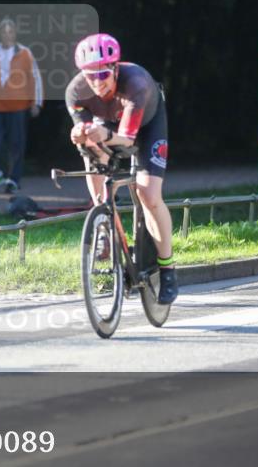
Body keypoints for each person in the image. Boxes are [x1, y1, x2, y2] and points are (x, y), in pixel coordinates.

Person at [65, 33, 178, 305]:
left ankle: (168, 269)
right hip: (107, 128)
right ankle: (106, 226)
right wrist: (80, 134)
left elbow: (127, 140)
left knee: (148, 195)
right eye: (90, 75)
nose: (97, 82)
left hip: (146, 127)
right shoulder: (75, 91)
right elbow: (89, 137)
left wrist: (101, 134)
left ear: (116, 68)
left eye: (103, 74)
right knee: (91, 155)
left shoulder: (137, 83)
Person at [0, 18, 43, 193]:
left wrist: (36, 102)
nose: (7, 35)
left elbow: (35, 78)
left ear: (15, 34)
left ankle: (13, 180)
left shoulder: (25, 53)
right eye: (4, 31)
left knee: (16, 144)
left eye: (10, 31)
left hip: (19, 104)